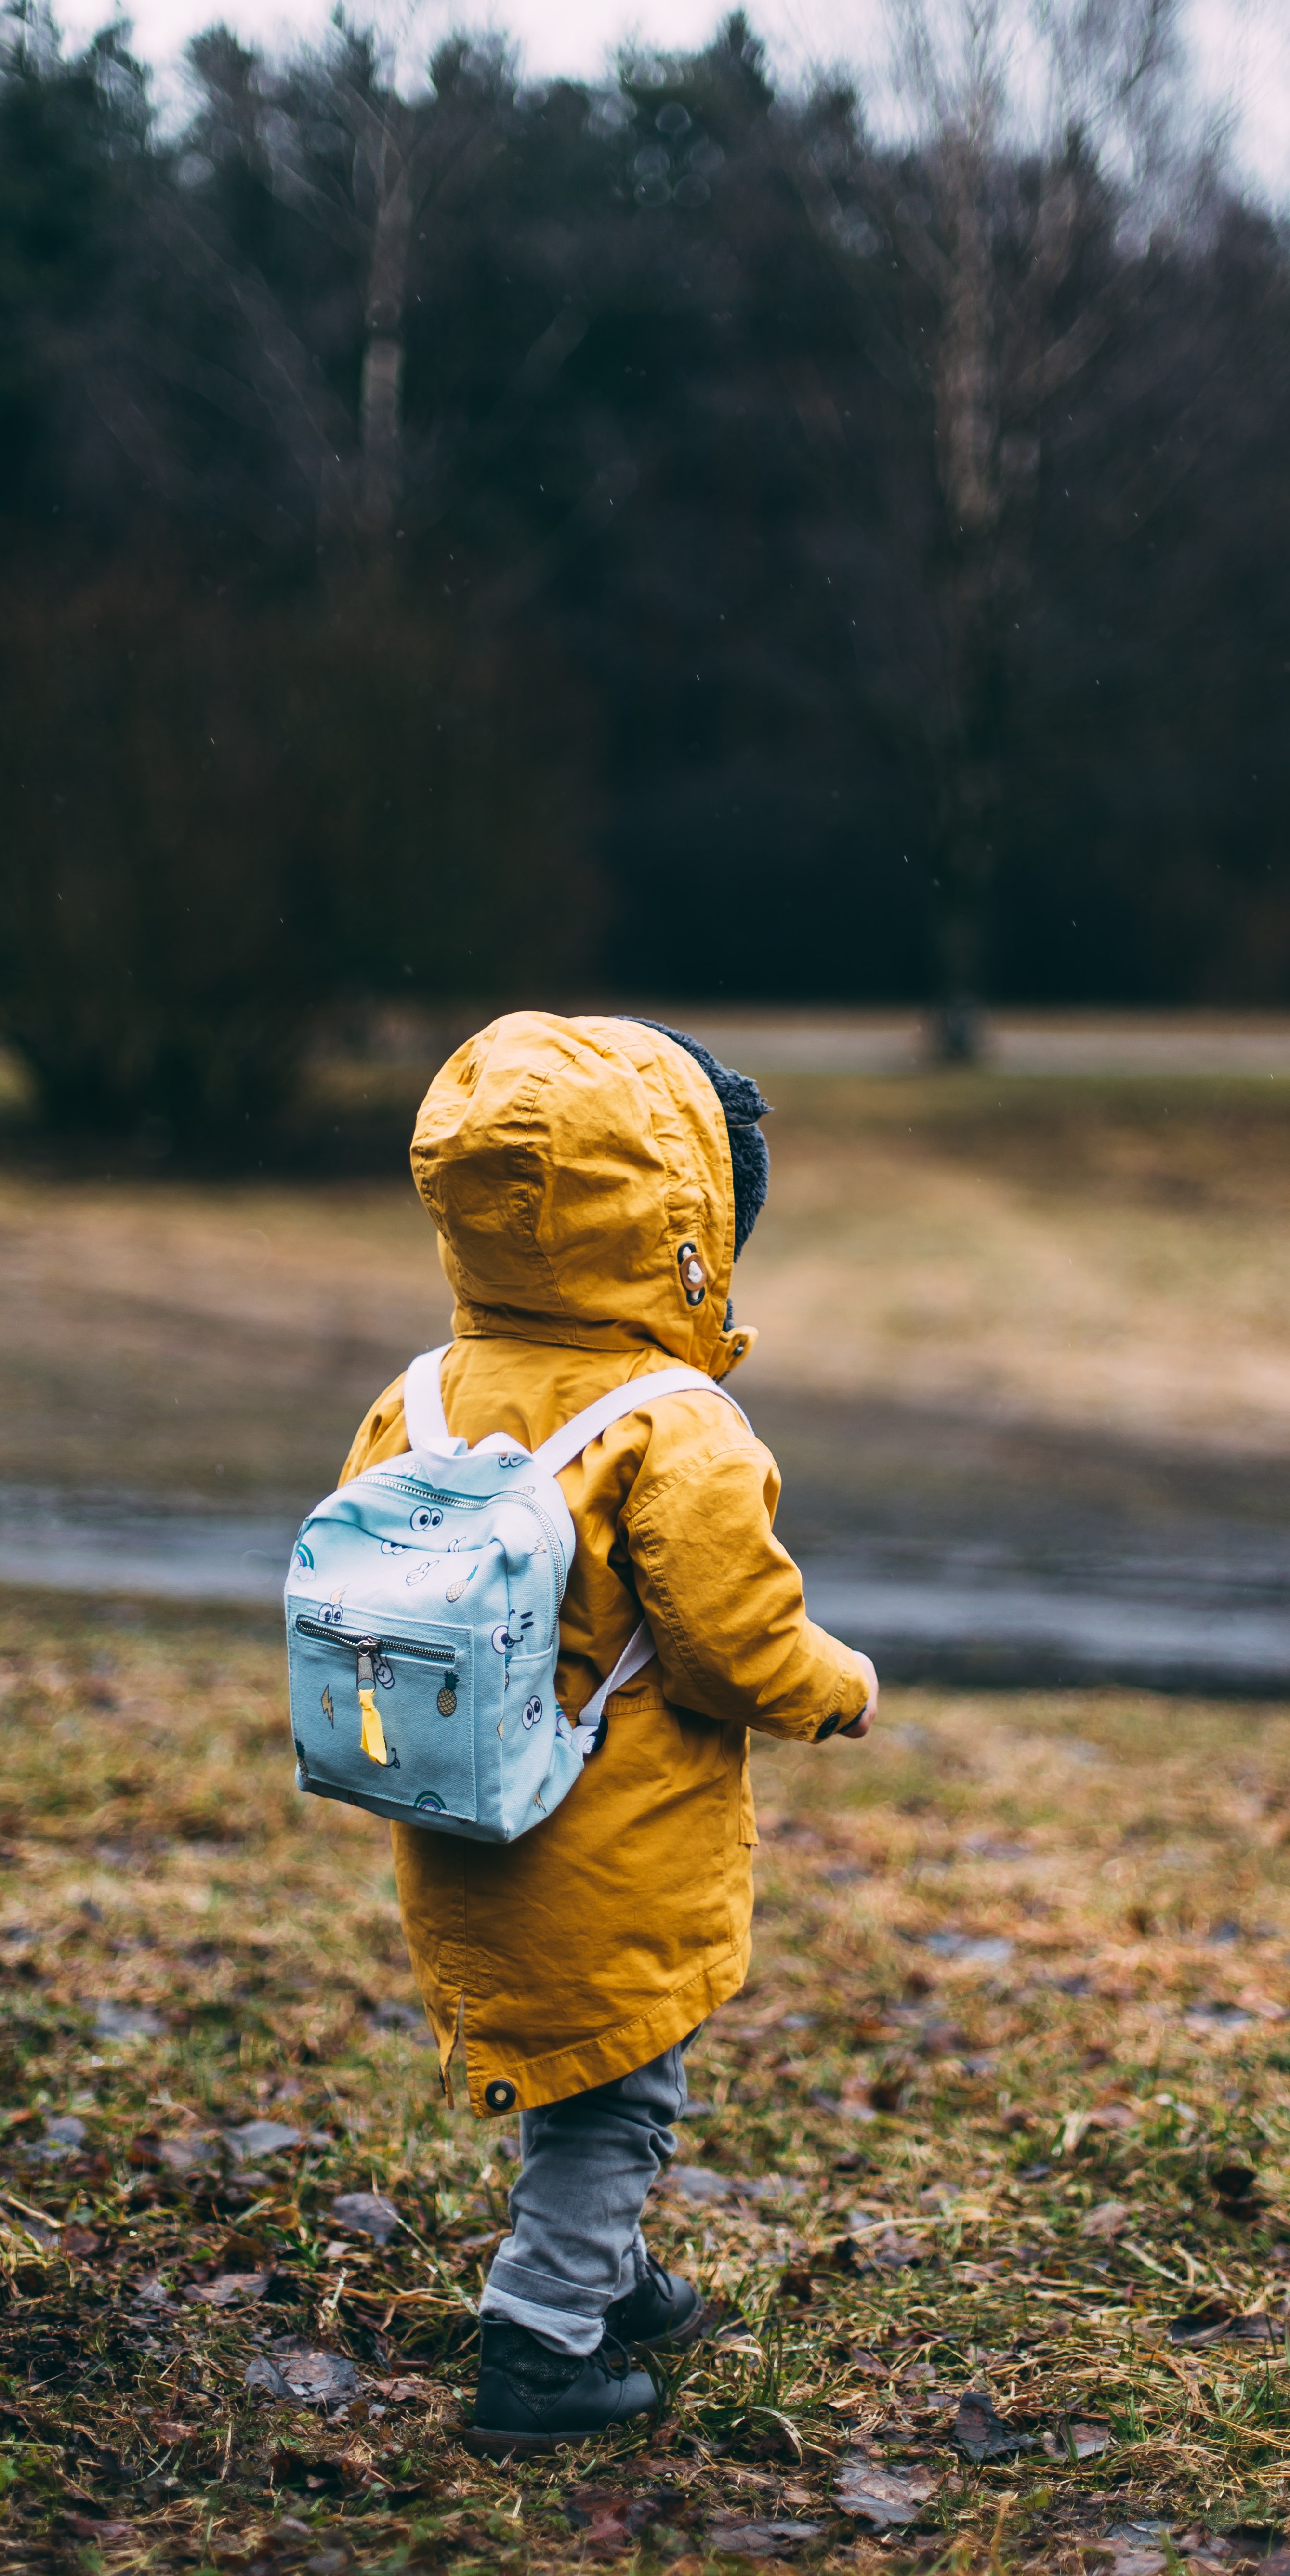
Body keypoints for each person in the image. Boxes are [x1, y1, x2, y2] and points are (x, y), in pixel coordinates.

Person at [338, 1010, 878, 2453]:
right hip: (612, 1836)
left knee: (579, 2065)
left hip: (463, 1818)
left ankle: (611, 2274)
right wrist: (838, 1684)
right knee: (621, 2095)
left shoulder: (424, 1399)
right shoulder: (673, 1424)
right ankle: (545, 2340)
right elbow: (733, 1642)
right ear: (685, 1225)